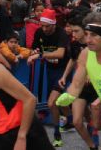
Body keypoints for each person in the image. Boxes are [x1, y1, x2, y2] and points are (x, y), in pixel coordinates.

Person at [56, 12, 101, 149]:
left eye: (94, 35)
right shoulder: (85, 54)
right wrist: (70, 95)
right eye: (87, 34)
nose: (88, 40)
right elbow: (77, 83)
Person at [27, 9, 69, 147]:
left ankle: (57, 136)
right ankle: (69, 119)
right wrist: (33, 54)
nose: (44, 29)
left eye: (47, 26)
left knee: (52, 103)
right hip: (50, 71)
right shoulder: (39, 32)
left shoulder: (61, 33)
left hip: (63, 71)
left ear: (54, 24)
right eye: (42, 25)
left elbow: (60, 53)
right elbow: (35, 49)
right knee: (60, 102)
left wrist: (41, 55)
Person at [56, 13, 99, 149]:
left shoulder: (95, 44)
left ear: (85, 31)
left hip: (96, 87)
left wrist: (90, 74)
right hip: (81, 87)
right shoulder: (74, 45)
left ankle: (96, 130)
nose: (73, 33)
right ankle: (92, 146)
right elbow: (73, 60)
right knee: (77, 121)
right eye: (72, 30)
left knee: (99, 121)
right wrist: (64, 76)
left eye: (76, 31)